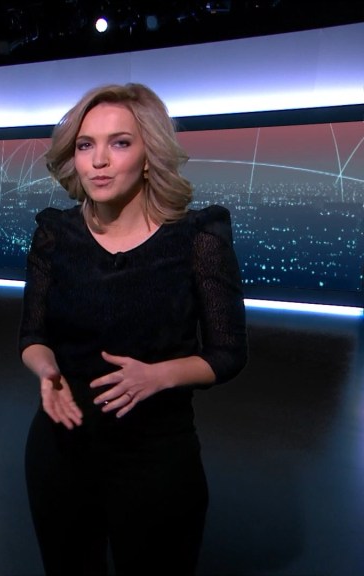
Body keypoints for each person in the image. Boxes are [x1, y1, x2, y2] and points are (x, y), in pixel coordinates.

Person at [18, 83, 248, 575]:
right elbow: (32, 337)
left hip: (156, 457)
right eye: (86, 145)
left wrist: (158, 376)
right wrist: (46, 371)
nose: (99, 160)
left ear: (148, 156)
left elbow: (228, 352)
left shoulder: (197, 237)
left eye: (119, 143)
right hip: (61, 450)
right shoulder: (55, 233)